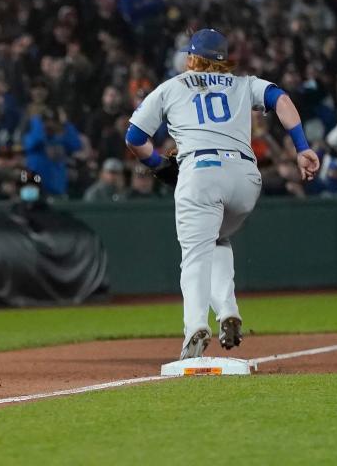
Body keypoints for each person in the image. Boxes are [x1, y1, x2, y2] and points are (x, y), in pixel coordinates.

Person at [125, 29, 319, 359]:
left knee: (195, 254)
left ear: (190, 58)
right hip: (245, 179)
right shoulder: (244, 84)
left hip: (201, 173)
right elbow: (282, 99)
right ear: (224, 60)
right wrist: (302, 148)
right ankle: (228, 310)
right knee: (216, 239)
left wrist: (159, 165)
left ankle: (195, 328)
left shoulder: (171, 87)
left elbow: (134, 137)